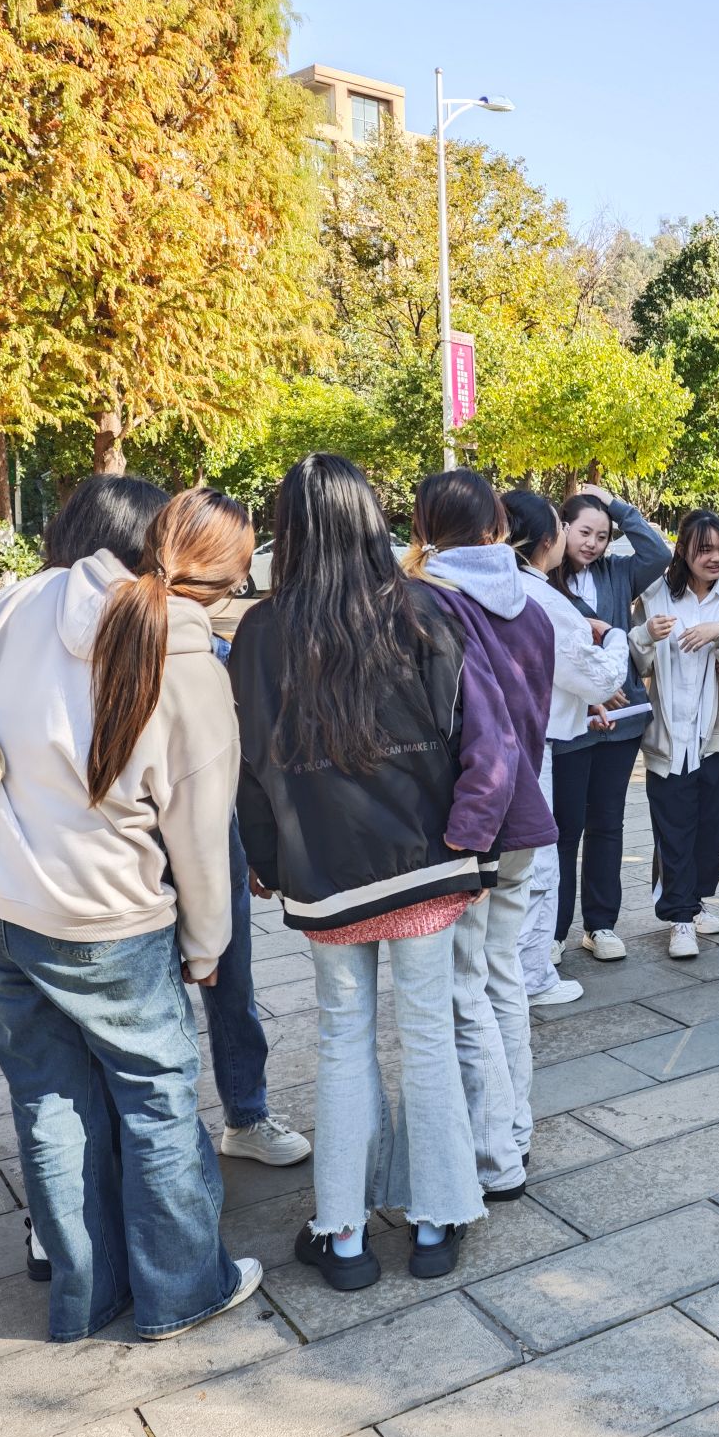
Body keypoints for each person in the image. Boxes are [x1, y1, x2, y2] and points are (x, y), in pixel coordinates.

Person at [0, 488, 261, 1343]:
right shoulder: (184, 657)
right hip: (103, 915)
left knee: (47, 1093)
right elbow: (199, 831)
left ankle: (84, 1295)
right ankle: (182, 1290)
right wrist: (207, 943)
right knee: (155, 1095)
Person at [229, 454, 485, 1289]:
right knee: (428, 1038)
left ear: (291, 529)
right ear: (371, 519)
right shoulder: (422, 609)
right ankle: (436, 1223)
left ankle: (343, 1239)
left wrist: (266, 860)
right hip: (423, 862)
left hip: (324, 870)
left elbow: (248, 765)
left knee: (342, 1041)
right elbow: (465, 731)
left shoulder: (260, 632)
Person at [40, 478, 309, 1171]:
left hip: (179, 840)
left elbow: (218, 779)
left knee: (226, 984)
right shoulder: (42, 631)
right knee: (137, 1025)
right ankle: (126, 1169)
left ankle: (242, 1114)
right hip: (111, 861)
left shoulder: (186, 640)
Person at [406, 469, 556, 1207]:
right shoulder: (532, 603)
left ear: (425, 524)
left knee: (465, 985)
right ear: (497, 524)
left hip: (471, 819)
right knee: (503, 977)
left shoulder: (433, 603)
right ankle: (515, 1127)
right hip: (524, 810)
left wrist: (463, 835)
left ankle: (494, 1153)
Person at [503, 488, 630, 1007]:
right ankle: (531, 976)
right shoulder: (547, 601)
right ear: (546, 540)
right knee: (538, 862)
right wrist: (613, 636)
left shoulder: (490, 587)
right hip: (534, 745)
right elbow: (598, 677)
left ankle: (509, 970)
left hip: (497, 739)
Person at [547, 487, 673, 963]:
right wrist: (592, 691)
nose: (592, 543)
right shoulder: (543, 580)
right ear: (562, 529)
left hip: (621, 723)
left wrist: (618, 506)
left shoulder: (618, 572)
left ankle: (600, 925)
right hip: (570, 722)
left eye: (602, 536)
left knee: (607, 824)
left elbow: (658, 553)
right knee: (565, 828)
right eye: (584, 532)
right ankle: (553, 929)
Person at [631, 509, 719, 960]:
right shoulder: (655, 595)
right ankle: (680, 918)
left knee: (715, 830)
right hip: (668, 737)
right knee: (674, 830)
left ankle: (696, 899)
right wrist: (645, 635)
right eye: (704, 549)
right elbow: (635, 664)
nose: (715, 557)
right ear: (683, 550)